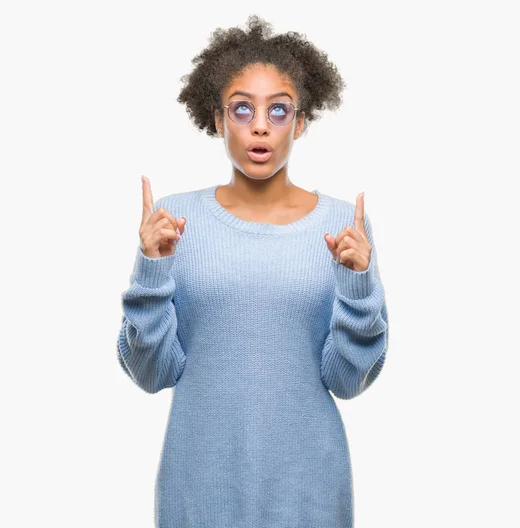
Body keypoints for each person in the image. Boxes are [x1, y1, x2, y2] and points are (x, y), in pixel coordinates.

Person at [117, 14, 389, 528]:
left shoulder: (341, 225)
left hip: (308, 490)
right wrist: (153, 270)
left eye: (278, 110)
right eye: (242, 109)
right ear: (218, 121)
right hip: (198, 488)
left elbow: (347, 380)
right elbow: (153, 374)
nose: (260, 125)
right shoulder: (174, 221)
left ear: (301, 121)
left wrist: (357, 283)